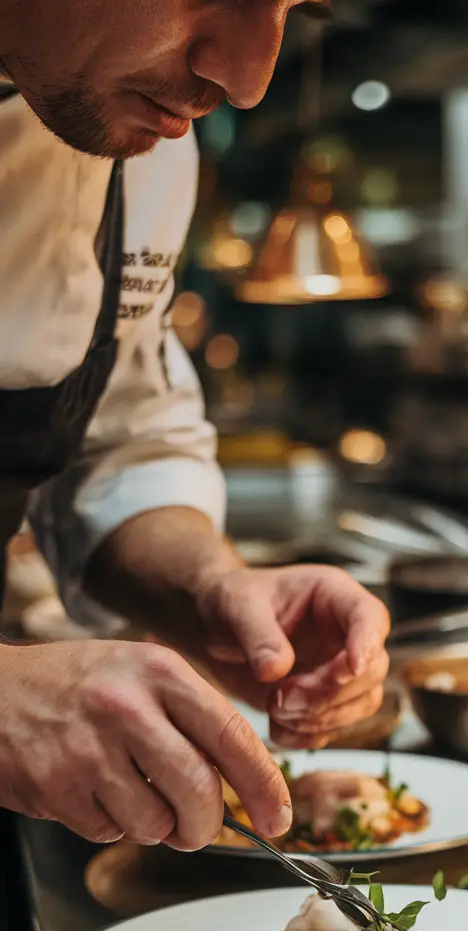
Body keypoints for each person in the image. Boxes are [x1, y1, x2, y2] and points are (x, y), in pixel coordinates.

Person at [0, 0, 390, 853]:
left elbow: (116, 440)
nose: (246, 80)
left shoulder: (138, 136)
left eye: (299, 7)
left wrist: (209, 590)